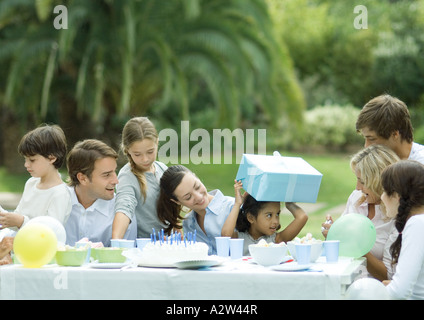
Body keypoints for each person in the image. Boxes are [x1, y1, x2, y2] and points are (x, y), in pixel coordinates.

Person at [322, 144, 400, 280]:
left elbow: (389, 275)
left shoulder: (397, 216)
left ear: (380, 183)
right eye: (357, 179)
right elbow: (343, 245)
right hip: (345, 279)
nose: (357, 187)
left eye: (362, 181)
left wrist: (358, 247)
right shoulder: (357, 198)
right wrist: (334, 233)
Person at [65, 139, 136, 247]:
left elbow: (127, 258)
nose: (116, 181)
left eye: (114, 172)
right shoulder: (57, 202)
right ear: (83, 178)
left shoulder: (122, 212)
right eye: (107, 175)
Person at [0, 124, 71, 232]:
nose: (26, 165)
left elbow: (51, 232)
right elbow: (17, 220)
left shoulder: (60, 193)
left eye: (32, 160)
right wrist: (6, 218)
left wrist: (21, 221)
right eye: (25, 159)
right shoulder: (31, 183)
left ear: (52, 158)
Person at [157, 165, 236, 255]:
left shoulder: (233, 208)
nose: (198, 197)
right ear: (177, 201)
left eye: (197, 187)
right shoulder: (189, 223)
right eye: (188, 197)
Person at [112, 117, 168, 239]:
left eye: (150, 152)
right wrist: (116, 241)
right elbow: (124, 208)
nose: (145, 159)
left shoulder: (162, 169)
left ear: (157, 142)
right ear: (127, 150)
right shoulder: (127, 176)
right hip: (144, 248)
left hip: (169, 244)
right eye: (137, 154)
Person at [222, 181, 308, 256]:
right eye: (269, 215)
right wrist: (237, 204)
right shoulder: (238, 239)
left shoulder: (277, 240)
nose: (275, 221)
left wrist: (290, 204)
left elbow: (302, 217)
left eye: (277, 214)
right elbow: (225, 235)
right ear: (251, 218)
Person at [381, 160, 424, 299]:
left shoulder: (417, 224)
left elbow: (399, 292)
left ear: (396, 196)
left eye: (384, 191)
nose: (382, 197)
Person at [356, 94, 424, 163]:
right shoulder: (379, 163)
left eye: (371, 139)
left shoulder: (420, 164)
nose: (366, 146)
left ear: (394, 134)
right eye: (365, 138)